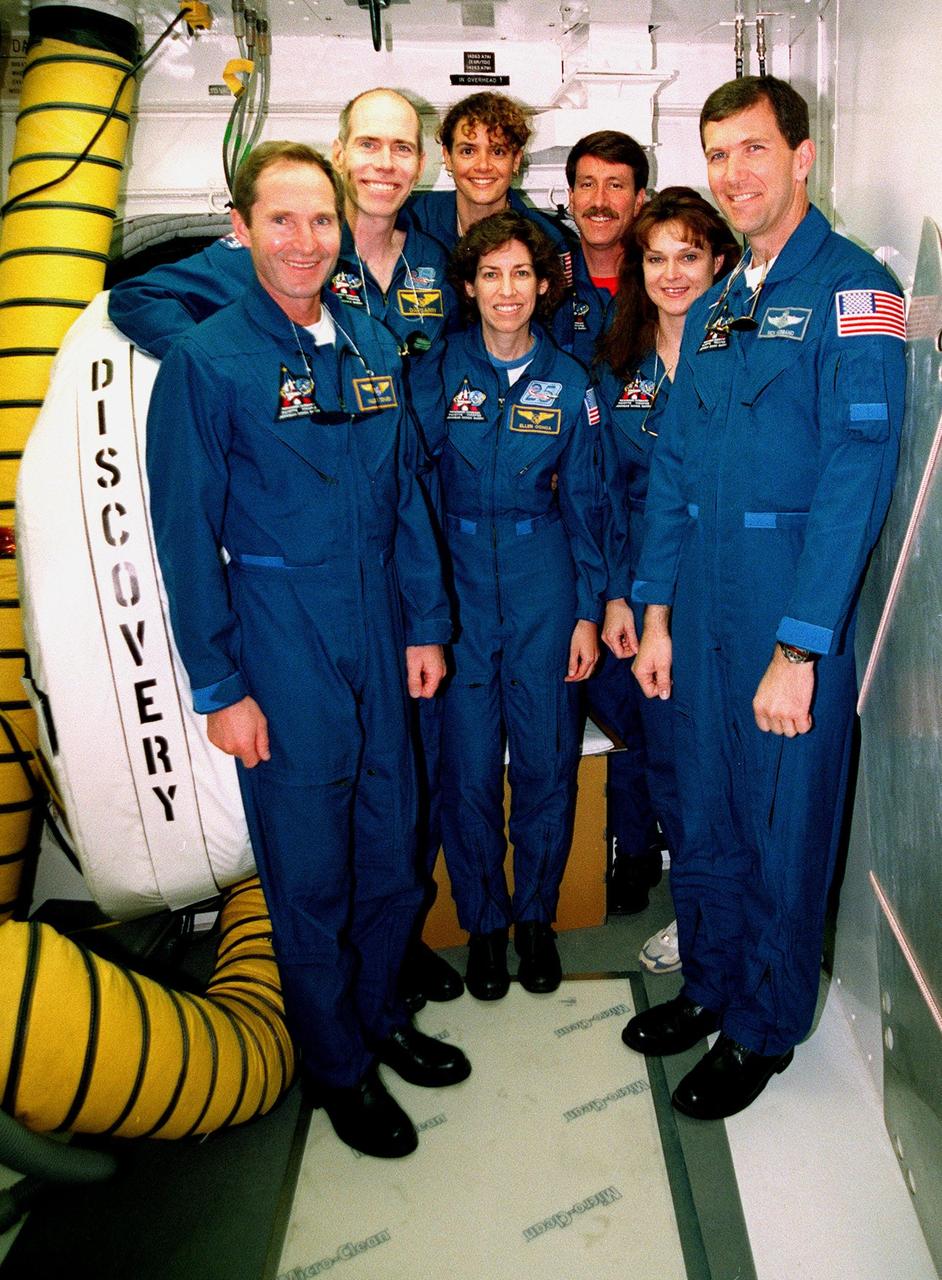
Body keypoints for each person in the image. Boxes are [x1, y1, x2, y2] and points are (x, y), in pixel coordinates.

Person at [146, 142, 471, 1160]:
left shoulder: (372, 346)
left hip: (380, 625)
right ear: (239, 229)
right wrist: (219, 683)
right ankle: (336, 1064)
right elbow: (184, 537)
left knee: (390, 843)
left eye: (319, 221)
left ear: (341, 230)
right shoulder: (206, 362)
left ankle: (379, 1016)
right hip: (282, 632)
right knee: (311, 869)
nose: (303, 241)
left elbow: (406, 496)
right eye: (280, 220)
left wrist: (424, 624)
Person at [621, 77, 905, 1119]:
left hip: (787, 604)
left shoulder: (852, 290)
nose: (733, 174)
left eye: (751, 150)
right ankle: (709, 979)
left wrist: (800, 646)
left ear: (802, 157)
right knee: (701, 804)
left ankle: (764, 1020)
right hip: (698, 603)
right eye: (717, 155)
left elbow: (855, 473)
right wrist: (652, 611)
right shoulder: (725, 300)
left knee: (781, 819)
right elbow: (676, 464)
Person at [415, 210, 606, 1000]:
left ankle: (535, 920)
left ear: (543, 286)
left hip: (543, 581)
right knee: (464, 772)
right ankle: (483, 925)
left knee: (546, 764)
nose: (506, 290)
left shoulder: (572, 383)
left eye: (521, 274)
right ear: (469, 285)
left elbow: (592, 507)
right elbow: (409, 485)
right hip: (457, 584)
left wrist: (590, 611)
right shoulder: (436, 370)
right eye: (490, 274)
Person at [593, 188, 740, 923]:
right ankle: (662, 877)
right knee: (652, 743)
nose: (673, 274)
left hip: (728, 577)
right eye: (656, 258)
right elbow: (608, 496)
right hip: (646, 582)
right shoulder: (618, 367)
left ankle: (713, 906)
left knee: (718, 754)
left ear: (719, 262)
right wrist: (620, 595)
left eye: (689, 256)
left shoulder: (742, 356)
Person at [109, 87, 454, 358]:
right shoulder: (290, 249)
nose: (385, 163)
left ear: (420, 165)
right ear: (339, 154)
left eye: (402, 149)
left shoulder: (433, 260)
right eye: (368, 144)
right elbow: (140, 297)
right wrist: (218, 363)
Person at [406, 91, 572, 259]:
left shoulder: (547, 242)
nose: (483, 166)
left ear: (515, 160)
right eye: (468, 151)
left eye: (498, 151)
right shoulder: (412, 221)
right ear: (448, 157)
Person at [553, 129, 649, 368]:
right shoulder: (546, 283)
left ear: (638, 201)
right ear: (572, 197)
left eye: (615, 186)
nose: (599, 202)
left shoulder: (661, 284)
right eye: (588, 185)